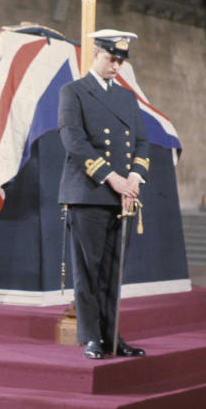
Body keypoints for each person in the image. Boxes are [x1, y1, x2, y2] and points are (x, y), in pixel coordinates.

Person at [58, 29, 149, 360]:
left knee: (114, 270)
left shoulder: (126, 97)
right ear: (96, 54)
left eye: (121, 61)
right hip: (89, 192)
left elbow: (141, 141)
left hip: (123, 196)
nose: (116, 66)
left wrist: (135, 179)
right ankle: (91, 337)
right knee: (89, 270)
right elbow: (74, 142)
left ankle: (112, 337)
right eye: (111, 59)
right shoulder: (74, 92)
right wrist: (113, 178)